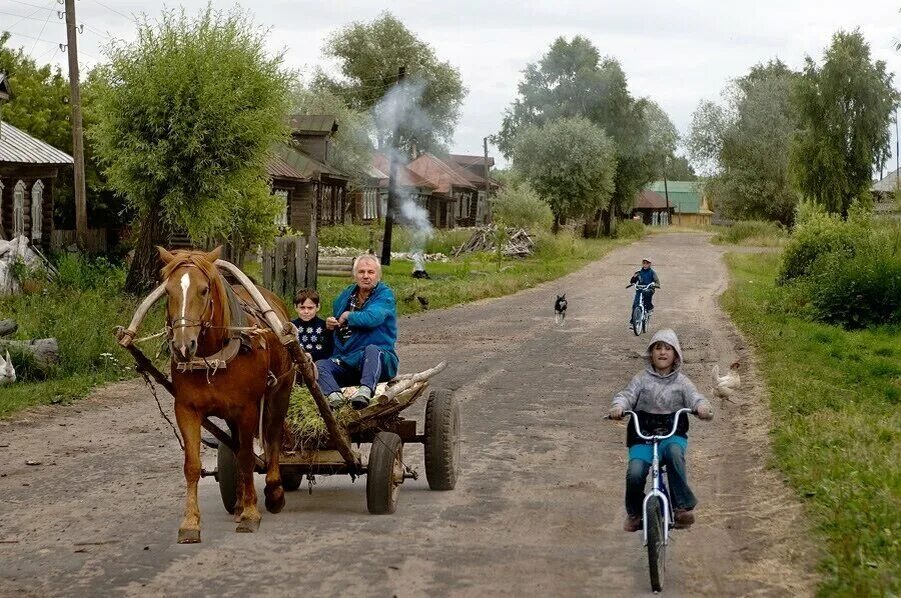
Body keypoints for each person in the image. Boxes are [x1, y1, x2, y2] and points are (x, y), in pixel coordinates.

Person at [608, 329, 713, 532]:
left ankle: (681, 507)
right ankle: (635, 513)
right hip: (642, 435)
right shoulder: (640, 378)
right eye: (658, 348)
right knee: (635, 472)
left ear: (676, 355)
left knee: (674, 454)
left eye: (668, 348)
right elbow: (626, 395)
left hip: (672, 433)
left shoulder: (682, 382)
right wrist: (618, 407)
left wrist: (702, 408)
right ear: (650, 353)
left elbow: (695, 397)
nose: (662, 353)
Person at [315, 254, 399, 410]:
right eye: (361, 272)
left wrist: (347, 315)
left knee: (372, 349)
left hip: (378, 362)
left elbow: (372, 318)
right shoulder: (344, 297)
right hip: (348, 360)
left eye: (370, 272)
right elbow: (336, 327)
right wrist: (330, 324)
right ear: (355, 275)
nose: (366, 276)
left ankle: (365, 392)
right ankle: (336, 398)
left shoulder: (385, 295)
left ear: (378, 275)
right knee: (320, 365)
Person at [291, 288, 333, 363]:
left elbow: (328, 350)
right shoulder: (292, 326)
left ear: (318, 307)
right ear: (295, 307)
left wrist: (312, 356)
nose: (306, 311)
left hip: (318, 364)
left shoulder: (325, 326)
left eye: (310, 308)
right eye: (302, 307)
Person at [629, 258, 660, 327]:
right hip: (639, 290)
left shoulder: (652, 273)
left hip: (648, 289)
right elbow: (632, 281)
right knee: (635, 304)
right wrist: (633, 280)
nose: (645, 265)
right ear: (642, 264)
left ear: (650, 264)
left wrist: (654, 285)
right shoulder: (639, 273)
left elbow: (658, 283)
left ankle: (649, 308)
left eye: (647, 263)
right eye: (644, 263)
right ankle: (632, 322)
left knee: (647, 300)